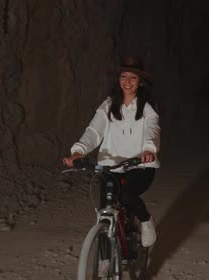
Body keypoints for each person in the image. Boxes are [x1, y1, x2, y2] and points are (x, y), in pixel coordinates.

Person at [63, 56, 159, 247]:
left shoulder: (147, 108)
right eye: (124, 77)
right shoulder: (108, 105)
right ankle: (105, 261)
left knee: (126, 196)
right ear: (119, 79)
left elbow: (152, 129)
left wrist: (148, 149)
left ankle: (146, 221)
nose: (127, 82)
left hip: (140, 165)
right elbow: (94, 130)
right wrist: (78, 151)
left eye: (133, 78)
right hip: (110, 165)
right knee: (105, 212)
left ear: (140, 82)